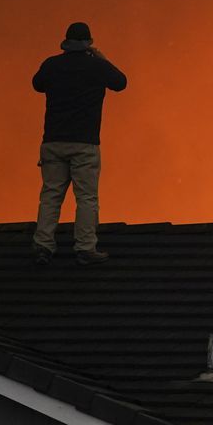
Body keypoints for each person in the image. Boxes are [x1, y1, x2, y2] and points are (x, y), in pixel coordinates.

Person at [31, 21, 127, 265]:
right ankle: (85, 247)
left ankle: (43, 245)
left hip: (53, 140)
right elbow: (121, 82)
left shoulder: (52, 65)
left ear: (66, 43)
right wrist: (101, 59)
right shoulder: (96, 67)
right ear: (88, 44)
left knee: (51, 195)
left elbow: (37, 84)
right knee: (86, 197)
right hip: (84, 143)